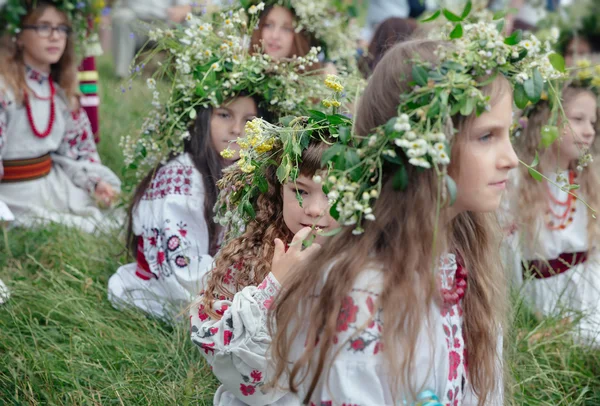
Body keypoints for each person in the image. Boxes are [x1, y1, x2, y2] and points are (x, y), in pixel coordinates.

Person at [265, 18, 562, 405]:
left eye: (508, 134)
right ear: (425, 146)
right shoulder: (363, 298)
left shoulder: (458, 264)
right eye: (487, 136)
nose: (511, 159)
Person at [107, 6, 325, 320]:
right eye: (224, 115)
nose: (237, 129)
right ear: (203, 118)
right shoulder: (180, 179)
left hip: (220, 283)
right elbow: (181, 275)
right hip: (172, 295)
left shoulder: (244, 171)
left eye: (249, 120)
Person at [190, 114, 343, 404]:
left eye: (333, 193)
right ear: (278, 191)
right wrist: (274, 286)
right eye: (300, 191)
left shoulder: (365, 261)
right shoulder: (253, 255)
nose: (314, 208)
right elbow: (223, 354)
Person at [0, 0, 121, 233]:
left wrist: (94, 183)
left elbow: (75, 153)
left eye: (62, 28)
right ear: (19, 35)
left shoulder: (61, 93)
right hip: (14, 194)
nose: (55, 36)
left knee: (114, 222)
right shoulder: (5, 91)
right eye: (43, 27)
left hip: (51, 185)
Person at [506, 62, 600, 345]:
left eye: (593, 123)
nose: (589, 131)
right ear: (547, 121)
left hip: (588, 297)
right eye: (578, 119)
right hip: (539, 301)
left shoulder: (590, 181)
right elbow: (507, 259)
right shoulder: (517, 181)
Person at [110, 0, 200, 78]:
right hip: (135, 24)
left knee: (191, 23)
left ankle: (185, 76)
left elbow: (185, 6)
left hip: (165, 25)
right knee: (121, 16)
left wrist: (180, 11)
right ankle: (122, 74)